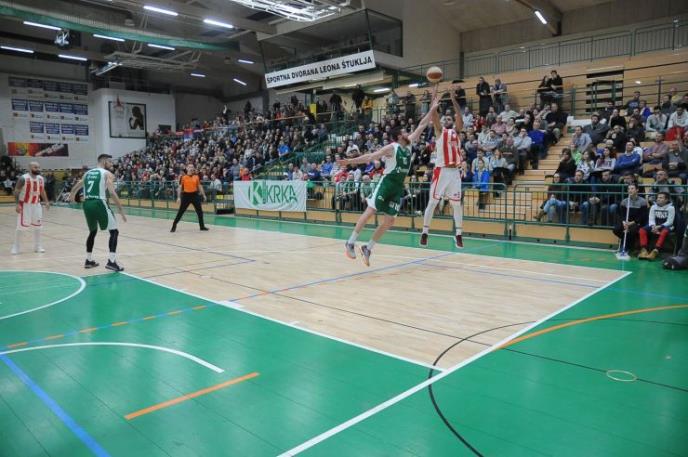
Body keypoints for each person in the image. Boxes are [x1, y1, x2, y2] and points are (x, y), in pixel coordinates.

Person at [342, 95, 439, 266]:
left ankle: (368, 248)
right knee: (370, 212)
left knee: (389, 221)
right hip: (386, 184)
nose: (408, 133)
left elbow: (422, 124)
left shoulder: (409, 144)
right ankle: (350, 242)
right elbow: (370, 157)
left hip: (398, 187)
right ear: (399, 136)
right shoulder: (391, 148)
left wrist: (433, 108)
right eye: (405, 132)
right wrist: (350, 161)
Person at [420, 88, 465, 248]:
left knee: (456, 204)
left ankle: (458, 234)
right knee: (432, 202)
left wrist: (453, 100)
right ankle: (425, 232)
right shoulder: (440, 131)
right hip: (441, 171)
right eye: (444, 118)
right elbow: (434, 115)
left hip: (454, 173)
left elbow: (460, 117)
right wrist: (434, 99)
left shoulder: (456, 132)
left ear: (452, 120)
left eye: (449, 118)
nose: (446, 120)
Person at [68, 154, 127, 271]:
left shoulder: (87, 173)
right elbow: (112, 193)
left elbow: (75, 187)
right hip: (99, 203)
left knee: (93, 231)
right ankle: (111, 262)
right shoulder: (107, 174)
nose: (111, 164)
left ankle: (88, 260)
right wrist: (120, 209)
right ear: (104, 162)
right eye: (110, 162)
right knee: (114, 231)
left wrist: (72, 197)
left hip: (87, 204)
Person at [11, 161, 50, 255]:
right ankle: (16, 247)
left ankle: (38, 246)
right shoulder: (23, 178)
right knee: (21, 227)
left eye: (38, 167)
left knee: (38, 226)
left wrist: (46, 201)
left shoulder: (41, 178)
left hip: (37, 205)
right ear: (29, 168)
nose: (38, 169)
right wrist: (17, 204)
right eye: (35, 167)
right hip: (25, 205)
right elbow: (16, 191)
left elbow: (42, 191)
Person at [170, 164, 209, 233]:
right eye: (190, 167)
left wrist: (204, 195)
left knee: (200, 211)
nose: (191, 168)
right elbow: (180, 187)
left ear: (193, 169)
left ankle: (202, 226)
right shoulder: (183, 177)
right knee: (181, 211)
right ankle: (174, 224)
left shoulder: (196, 177)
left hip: (195, 195)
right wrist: (178, 197)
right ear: (187, 168)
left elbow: (199, 186)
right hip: (186, 196)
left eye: (192, 167)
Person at [638, 191, 675, 260]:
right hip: (655, 225)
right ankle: (644, 250)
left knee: (664, 232)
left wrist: (659, 226)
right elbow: (651, 219)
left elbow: (670, 221)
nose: (658, 199)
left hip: (666, 226)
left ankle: (655, 251)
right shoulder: (653, 207)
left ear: (666, 200)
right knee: (642, 230)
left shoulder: (671, 208)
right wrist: (653, 226)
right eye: (658, 197)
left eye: (661, 198)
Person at [613, 183, 648, 251]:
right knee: (616, 230)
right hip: (626, 222)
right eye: (628, 189)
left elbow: (642, 216)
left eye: (632, 188)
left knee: (631, 231)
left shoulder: (642, 201)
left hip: (637, 222)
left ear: (637, 190)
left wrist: (631, 223)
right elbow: (622, 214)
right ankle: (624, 242)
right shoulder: (624, 201)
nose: (630, 190)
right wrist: (624, 222)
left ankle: (626, 246)